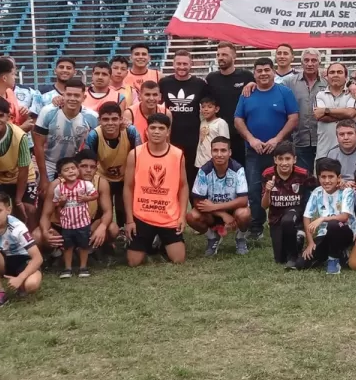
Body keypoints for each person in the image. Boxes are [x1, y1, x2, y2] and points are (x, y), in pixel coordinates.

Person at [234, 57, 299, 239]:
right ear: (254, 74)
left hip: (280, 151)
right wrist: (251, 139)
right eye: (259, 70)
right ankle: (256, 228)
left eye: (267, 70)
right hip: (254, 150)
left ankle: (286, 224)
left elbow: (293, 118)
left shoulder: (284, 92)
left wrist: (277, 140)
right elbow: (238, 120)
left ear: (273, 72)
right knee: (255, 189)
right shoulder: (247, 94)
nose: (263, 73)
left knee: (285, 187)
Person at [123, 113, 190, 266]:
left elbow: (184, 185)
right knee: (133, 262)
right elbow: (128, 187)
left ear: (168, 132)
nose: (156, 131)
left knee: (178, 259)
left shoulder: (178, 154)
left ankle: (159, 241)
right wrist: (129, 220)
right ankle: (148, 241)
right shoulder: (135, 154)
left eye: (161, 128)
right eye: (153, 128)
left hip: (168, 215)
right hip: (142, 215)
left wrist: (182, 216)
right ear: (146, 131)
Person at [187, 137, 252, 256]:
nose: (219, 154)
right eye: (215, 150)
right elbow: (197, 201)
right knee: (192, 216)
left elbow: (243, 200)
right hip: (212, 213)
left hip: (233, 211)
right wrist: (222, 214)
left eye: (223, 150)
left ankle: (240, 238)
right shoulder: (204, 171)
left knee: (244, 213)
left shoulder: (238, 169)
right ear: (211, 152)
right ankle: (213, 238)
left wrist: (215, 207)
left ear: (230, 152)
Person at [84, 102, 141, 233]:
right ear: (99, 120)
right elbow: (88, 160)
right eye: (105, 119)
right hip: (102, 178)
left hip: (124, 177)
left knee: (124, 207)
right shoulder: (94, 135)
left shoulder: (130, 131)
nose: (110, 123)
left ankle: (126, 231)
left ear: (121, 119)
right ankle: (102, 237)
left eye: (114, 119)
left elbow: (140, 156)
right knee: (102, 211)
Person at [0, 97, 36, 227]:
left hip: (21, 176)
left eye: (0, 115)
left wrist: (18, 200)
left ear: (8, 117)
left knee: (28, 210)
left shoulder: (19, 135)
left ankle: (29, 242)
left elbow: (24, 169)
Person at [34, 78, 98, 188]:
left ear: (84, 97)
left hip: (75, 165)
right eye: (69, 95)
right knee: (45, 196)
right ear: (63, 95)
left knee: (74, 198)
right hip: (48, 162)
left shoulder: (92, 117)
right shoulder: (48, 112)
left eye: (77, 96)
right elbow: (38, 145)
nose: (72, 99)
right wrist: (43, 177)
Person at [262, 141, 315, 269]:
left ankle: (293, 257)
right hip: (275, 219)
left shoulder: (302, 174)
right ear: (275, 160)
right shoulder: (268, 174)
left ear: (294, 159)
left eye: (288, 159)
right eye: (280, 159)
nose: (284, 163)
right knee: (280, 259)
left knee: (288, 220)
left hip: (295, 214)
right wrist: (268, 191)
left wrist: (339, 183)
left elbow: (320, 187)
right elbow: (264, 206)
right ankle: (298, 240)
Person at [158, 49, 208, 185]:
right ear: (173, 64)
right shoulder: (164, 83)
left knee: (191, 176)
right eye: (178, 63)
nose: (181, 67)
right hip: (170, 137)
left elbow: (208, 107)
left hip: (193, 139)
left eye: (185, 64)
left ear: (191, 64)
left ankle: (194, 205)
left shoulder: (200, 84)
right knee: (171, 175)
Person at [299, 158, 355, 275]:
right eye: (323, 177)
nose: (327, 180)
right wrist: (310, 242)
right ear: (318, 178)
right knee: (301, 263)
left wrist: (322, 218)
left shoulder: (346, 191)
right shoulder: (317, 192)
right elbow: (306, 216)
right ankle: (334, 254)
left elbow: (344, 217)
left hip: (345, 232)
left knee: (333, 225)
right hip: (324, 235)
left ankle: (334, 260)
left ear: (338, 178)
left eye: (331, 176)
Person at [46, 157, 98, 278]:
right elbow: (56, 203)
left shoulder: (85, 185)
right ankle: (67, 268)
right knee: (67, 246)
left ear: (78, 170)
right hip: (67, 223)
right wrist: (62, 202)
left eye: (73, 168)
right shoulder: (59, 188)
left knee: (84, 245)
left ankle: (83, 267)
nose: (70, 171)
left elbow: (95, 195)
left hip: (83, 222)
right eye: (66, 170)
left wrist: (86, 198)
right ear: (60, 174)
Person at [205, 42, 255, 165]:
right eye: (218, 54)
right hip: (219, 135)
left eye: (225, 54)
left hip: (241, 135)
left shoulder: (246, 76)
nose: (220, 57)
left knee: (241, 171)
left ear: (234, 57)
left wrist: (253, 84)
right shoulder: (211, 78)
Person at [279, 48, 325, 172]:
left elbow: (344, 84)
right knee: (302, 178)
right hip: (298, 140)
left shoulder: (328, 81)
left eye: (314, 60)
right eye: (306, 60)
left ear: (319, 63)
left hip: (322, 140)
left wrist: (351, 83)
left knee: (324, 178)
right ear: (301, 63)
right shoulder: (288, 82)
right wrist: (252, 84)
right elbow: (270, 89)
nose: (310, 64)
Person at [314, 62, 356, 160]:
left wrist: (326, 110)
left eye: (339, 72)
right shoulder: (320, 94)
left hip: (350, 154)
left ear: (346, 76)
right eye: (332, 72)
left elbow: (351, 113)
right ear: (327, 76)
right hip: (324, 153)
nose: (335, 75)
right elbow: (318, 115)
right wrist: (347, 116)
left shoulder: (353, 93)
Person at [195, 96, 229, 168]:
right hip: (200, 162)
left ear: (216, 109)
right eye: (203, 107)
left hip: (214, 162)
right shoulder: (202, 120)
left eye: (209, 107)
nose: (206, 109)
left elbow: (225, 143)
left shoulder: (221, 123)